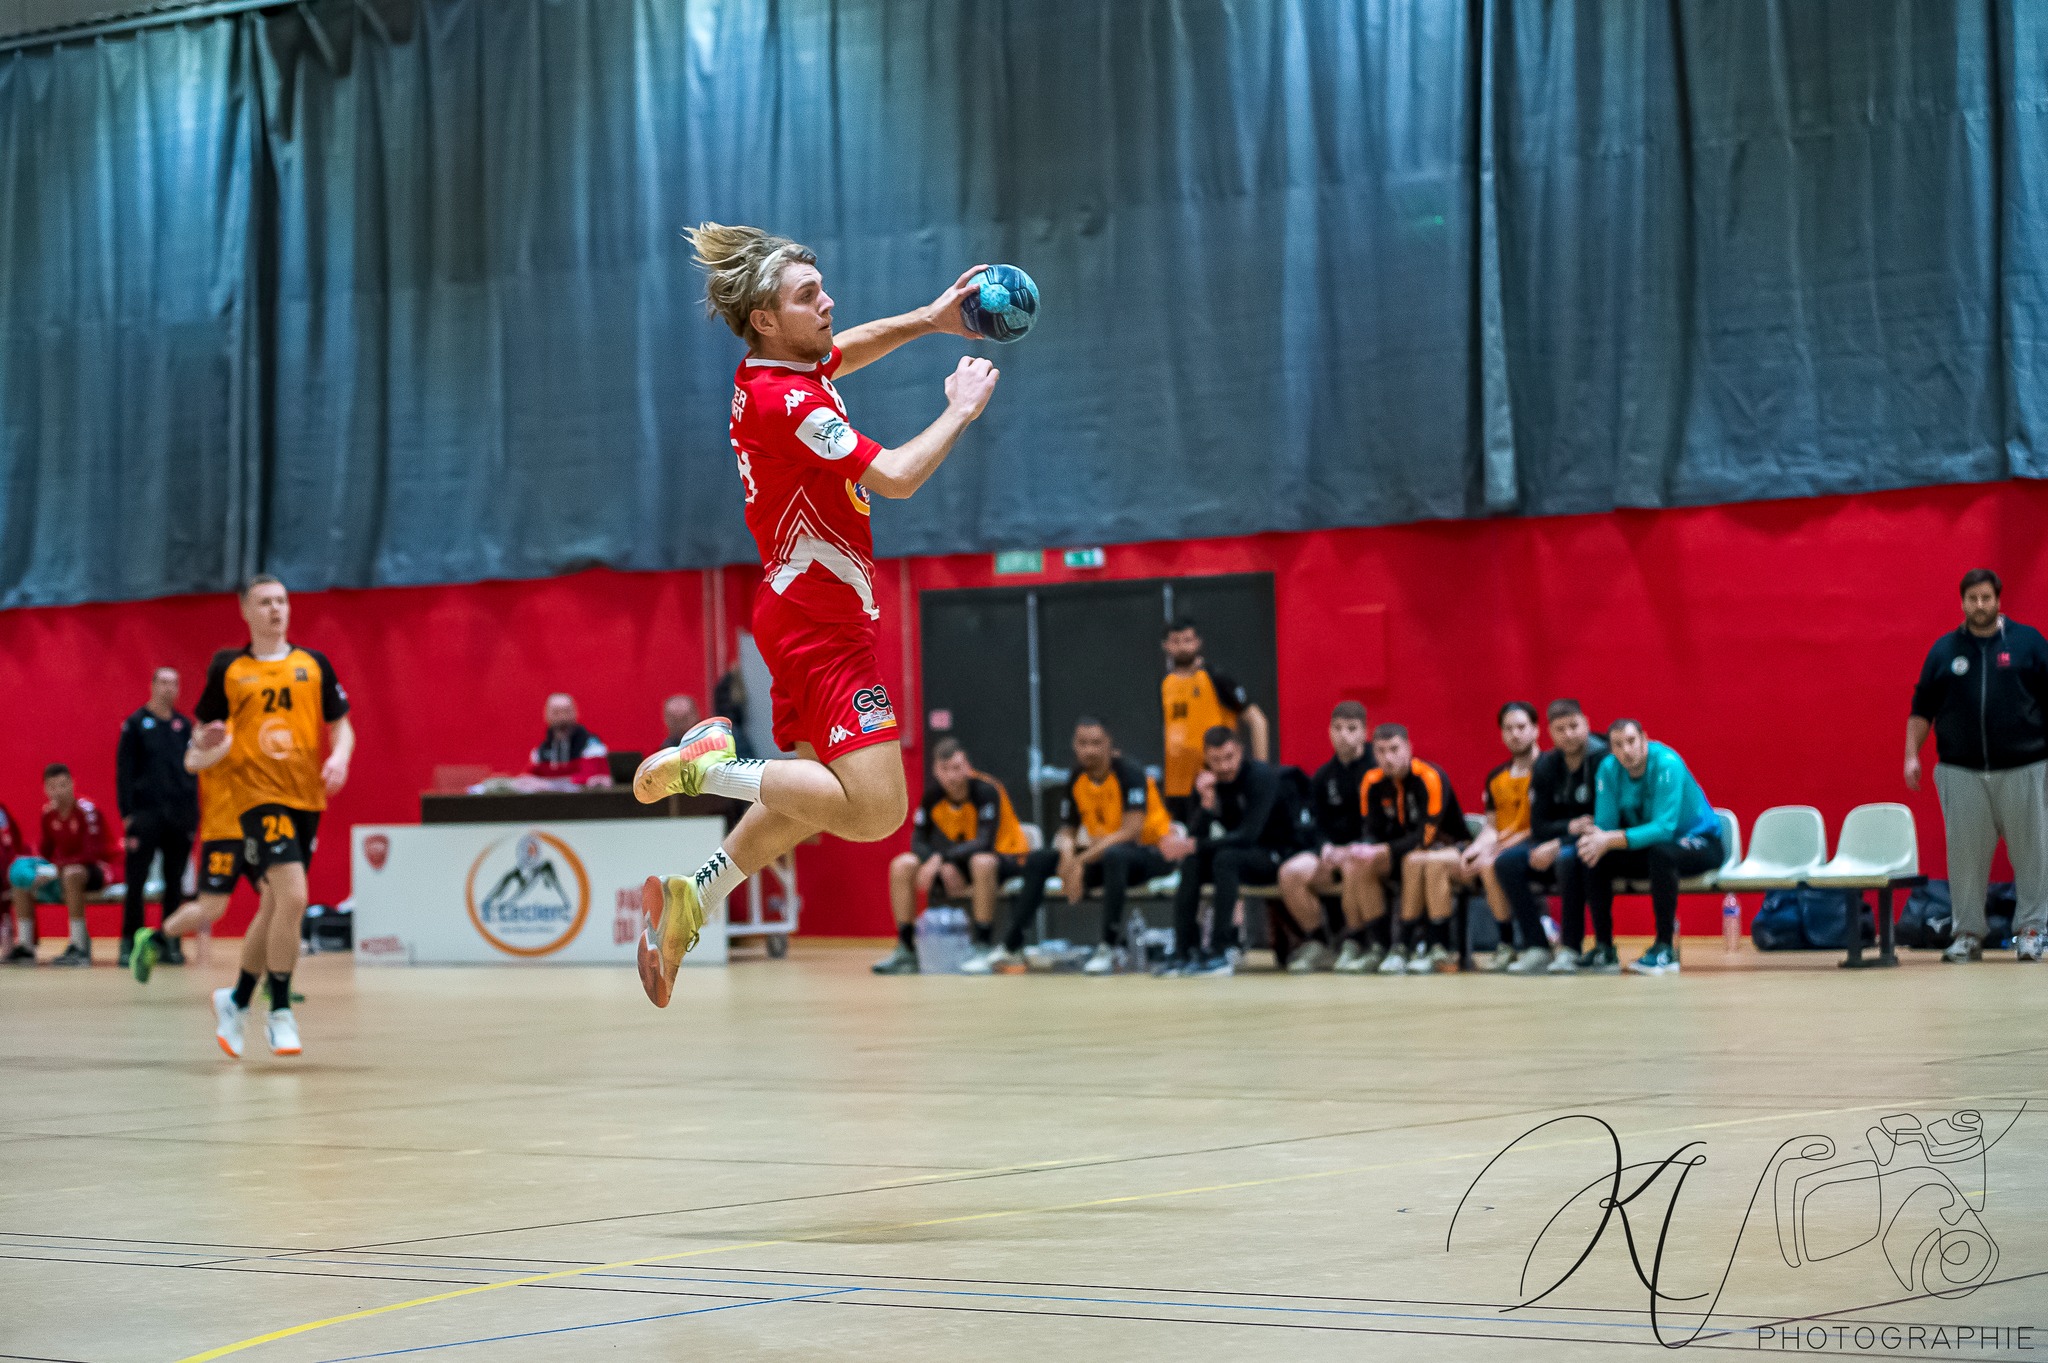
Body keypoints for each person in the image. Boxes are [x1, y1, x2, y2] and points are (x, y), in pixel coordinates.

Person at [630, 223, 999, 1007]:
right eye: (808, 296)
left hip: (801, 610)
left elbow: (848, 350)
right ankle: (705, 767)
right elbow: (896, 475)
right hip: (819, 623)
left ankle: (692, 896)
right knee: (876, 813)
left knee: (803, 798)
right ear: (766, 317)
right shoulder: (789, 401)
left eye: (822, 287)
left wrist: (930, 320)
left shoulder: (778, 370)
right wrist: (960, 410)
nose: (828, 302)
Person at [131, 576, 354, 1059]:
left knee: (274, 906)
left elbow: (341, 725)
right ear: (246, 611)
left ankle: (234, 1001)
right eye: (265, 602)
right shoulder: (230, 671)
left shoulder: (312, 664)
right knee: (291, 897)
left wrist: (340, 758)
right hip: (254, 803)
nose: (276, 609)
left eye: (282, 600)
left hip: (306, 800)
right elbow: (195, 755)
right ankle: (279, 1009)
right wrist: (202, 744)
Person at [1906, 568, 2048, 963]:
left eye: (1986, 598)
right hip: (1961, 772)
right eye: (1973, 599)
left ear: (1998, 600)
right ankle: (1967, 934)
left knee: (2033, 855)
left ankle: (2032, 934)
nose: (1980, 605)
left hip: (2026, 768)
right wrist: (1911, 754)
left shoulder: (2028, 644)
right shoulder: (1944, 652)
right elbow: (1921, 710)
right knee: (1964, 860)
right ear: (1963, 601)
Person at [1001, 717, 1173, 976]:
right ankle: (1010, 945)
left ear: (1109, 745)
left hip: (1151, 853)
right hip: (1105, 856)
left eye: (1096, 743)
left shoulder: (1130, 772)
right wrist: (1068, 858)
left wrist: (1080, 861)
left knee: (1116, 855)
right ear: (1074, 745)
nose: (1089, 750)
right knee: (1040, 859)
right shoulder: (1077, 777)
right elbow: (1067, 830)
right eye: (1083, 743)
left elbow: (1131, 832)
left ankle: (1108, 946)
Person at [1573, 719, 1722, 976]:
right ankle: (1604, 948)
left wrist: (1608, 839)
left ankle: (1665, 948)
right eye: (1618, 745)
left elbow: (1664, 828)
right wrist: (1599, 841)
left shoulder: (1668, 763)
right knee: (1595, 856)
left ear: (1644, 739)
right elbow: (1605, 828)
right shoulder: (1608, 769)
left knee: (1662, 853)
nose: (1626, 751)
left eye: (1631, 741)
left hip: (1701, 842)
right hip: (1652, 847)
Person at [874, 738, 1029, 975]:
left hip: (1005, 858)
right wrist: (938, 861)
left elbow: (985, 843)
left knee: (982, 862)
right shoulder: (933, 797)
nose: (953, 776)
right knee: (903, 864)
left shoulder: (987, 790)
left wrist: (943, 860)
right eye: (945, 770)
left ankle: (983, 946)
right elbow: (918, 841)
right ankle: (906, 949)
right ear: (937, 771)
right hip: (959, 864)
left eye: (957, 768)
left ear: (967, 766)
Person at [1161, 727, 1296, 978]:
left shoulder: (1260, 776)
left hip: (1275, 853)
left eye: (1229, 757)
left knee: (1225, 859)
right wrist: (1206, 804)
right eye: (1216, 760)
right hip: (1238, 855)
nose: (1224, 766)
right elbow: (1196, 835)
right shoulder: (1208, 783)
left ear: (1240, 752)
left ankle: (1221, 949)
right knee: (1192, 862)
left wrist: (1195, 845)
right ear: (1206, 758)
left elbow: (1248, 835)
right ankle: (1183, 949)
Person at [1490, 699, 1610, 974]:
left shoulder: (1604, 759)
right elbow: (1540, 824)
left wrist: (1559, 842)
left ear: (1586, 724)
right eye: (1560, 729)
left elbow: (1602, 821)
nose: (1568, 734)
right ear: (1550, 733)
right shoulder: (1545, 766)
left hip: (1595, 845)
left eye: (1574, 726)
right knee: (1507, 862)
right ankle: (1537, 946)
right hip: (1559, 841)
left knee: (1568, 858)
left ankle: (1570, 948)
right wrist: (1567, 829)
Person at [1355, 725, 1470, 975]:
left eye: (1395, 749)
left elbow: (1426, 836)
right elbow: (1370, 830)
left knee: (1416, 860)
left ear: (1409, 748)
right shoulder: (1371, 782)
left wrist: (1384, 849)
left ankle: (1421, 946)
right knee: (1359, 865)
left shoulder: (1430, 777)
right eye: (1381, 751)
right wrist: (1364, 849)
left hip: (1449, 848)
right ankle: (1380, 948)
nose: (1388, 757)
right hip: (1401, 852)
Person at [1276, 701, 1375, 973]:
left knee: (1353, 862)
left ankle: (1356, 941)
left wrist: (1356, 847)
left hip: (1367, 853)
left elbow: (1379, 823)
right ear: (1329, 731)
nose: (1344, 735)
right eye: (1338, 728)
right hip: (1334, 853)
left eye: (1352, 729)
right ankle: (1320, 941)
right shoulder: (1322, 776)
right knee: (1290, 872)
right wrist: (1325, 848)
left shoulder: (1377, 769)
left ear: (1365, 732)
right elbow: (1317, 825)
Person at [114, 665, 198, 968]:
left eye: (174, 683)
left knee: (174, 883)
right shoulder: (136, 724)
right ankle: (130, 942)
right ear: (152, 685)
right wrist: (127, 814)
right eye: (163, 682)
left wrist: (192, 814)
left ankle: (169, 941)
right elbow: (124, 772)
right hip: (145, 816)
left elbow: (193, 770)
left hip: (179, 818)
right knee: (135, 882)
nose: (169, 688)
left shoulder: (183, 726)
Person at [6, 764, 121, 966]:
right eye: (52, 787)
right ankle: (25, 946)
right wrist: (38, 869)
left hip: (102, 870)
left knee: (71, 873)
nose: (58, 791)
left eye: (63, 785)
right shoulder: (48, 815)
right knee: (20, 878)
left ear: (72, 784)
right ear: (45, 789)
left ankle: (79, 947)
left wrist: (55, 870)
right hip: (66, 871)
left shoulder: (87, 811)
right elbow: (45, 853)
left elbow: (91, 854)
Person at [1457, 702, 1541, 972]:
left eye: (1521, 727)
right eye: (1508, 729)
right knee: (1475, 863)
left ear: (1536, 730)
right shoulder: (1496, 778)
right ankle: (1500, 945)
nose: (1515, 734)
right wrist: (1476, 848)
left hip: (1536, 842)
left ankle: (1522, 941)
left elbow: (1540, 825)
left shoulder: (1547, 769)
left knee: (1492, 863)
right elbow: (1491, 826)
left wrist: (1497, 848)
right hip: (1504, 846)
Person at [1160, 618, 1268, 825]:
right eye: (1175, 641)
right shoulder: (1166, 683)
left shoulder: (1216, 678)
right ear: (1165, 645)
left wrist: (1259, 771)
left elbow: (1257, 720)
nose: (1182, 646)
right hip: (1177, 786)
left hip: (1215, 781)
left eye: (1187, 640)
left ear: (1198, 642)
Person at [531, 694, 611, 787]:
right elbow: (529, 778)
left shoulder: (591, 744)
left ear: (575, 713)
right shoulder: (540, 751)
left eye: (566, 711)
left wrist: (548, 784)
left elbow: (591, 777)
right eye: (556, 712)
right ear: (546, 715)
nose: (562, 717)